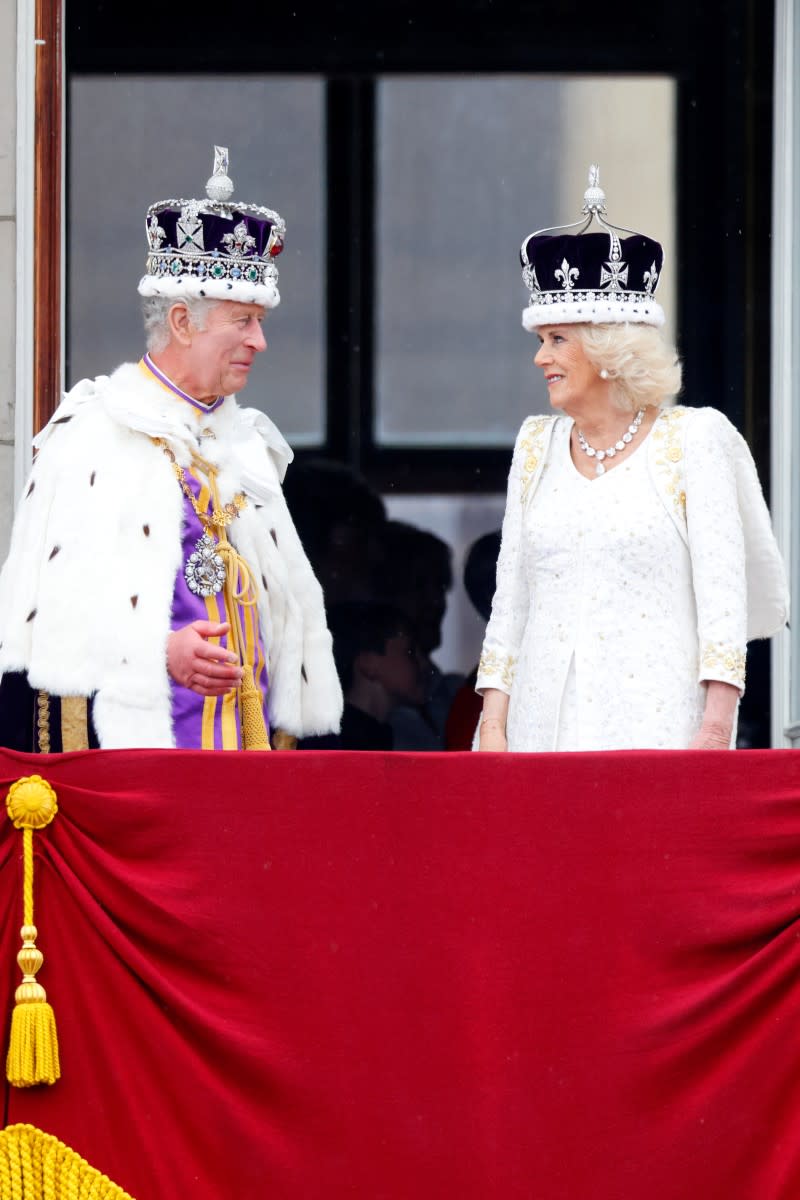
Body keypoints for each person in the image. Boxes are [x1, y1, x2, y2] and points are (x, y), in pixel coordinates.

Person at [0, 146, 342, 752]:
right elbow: (41, 622)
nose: (260, 341)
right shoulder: (92, 434)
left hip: (250, 755)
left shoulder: (247, 446)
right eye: (243, 321)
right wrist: (160, 651)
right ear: (183, 322)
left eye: (260, 322)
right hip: (141, 756)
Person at [477, 167, 788, 753]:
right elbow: (510, 599)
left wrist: (715, 731)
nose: (541, 357)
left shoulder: (693, 438)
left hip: (657, 730)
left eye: (558, 340)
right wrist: (492, 725)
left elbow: (724, 603)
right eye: (540, 340)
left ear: (608, 349)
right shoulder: (534, 445)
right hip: (539, 735)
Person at [299, 602, 428, 750]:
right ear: (368, 663)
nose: (424, 664)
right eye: (410, 652)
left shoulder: (368, 735)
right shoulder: (333, 743)